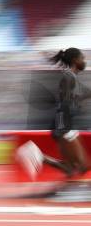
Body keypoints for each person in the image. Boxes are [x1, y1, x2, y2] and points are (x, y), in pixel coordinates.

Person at [17, 48, 90, 182]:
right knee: (82, 167)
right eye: (82, 59)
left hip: (64, 124)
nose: (84, 61)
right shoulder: (69, 77)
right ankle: (34, 153)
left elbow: (77, 95)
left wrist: (80, 98)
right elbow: (66, 101)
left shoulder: (71, 76)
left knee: (69, 168)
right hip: (65, 125)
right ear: (75, 60)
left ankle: (37, 154)